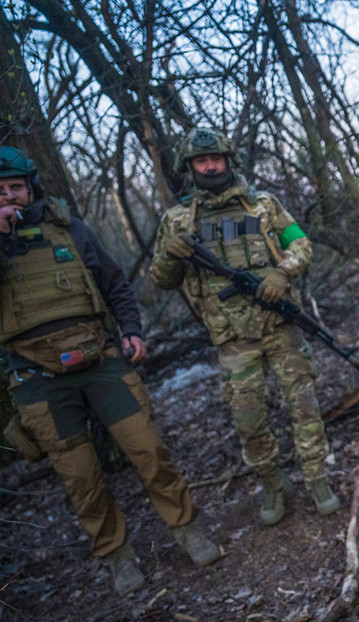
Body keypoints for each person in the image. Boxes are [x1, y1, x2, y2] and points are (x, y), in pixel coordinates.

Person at [0, 146, 219, 595]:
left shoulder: (70, 231)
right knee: (80, 476)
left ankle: (188, 529)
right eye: (0, 191)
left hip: (99, 360)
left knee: (148, 450)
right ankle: (117, 556)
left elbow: (114, 283)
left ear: (30, 188)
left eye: (16, 188)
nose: (10, 197)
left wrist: (132, 332)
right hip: (36, 379)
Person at [151, 127, 339, 527]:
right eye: (202, 161)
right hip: (232, 339)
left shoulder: (264, 206)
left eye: (216, 158)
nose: (211, 166)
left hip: (279, 326)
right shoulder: (178, 220)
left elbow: (301, 243)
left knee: (305, 408)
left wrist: (281, 274)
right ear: (190, 167)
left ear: (228, 160)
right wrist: (171, 255)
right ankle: (272, 484)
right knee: (248, 420)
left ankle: (317, 478)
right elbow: (163, 279)